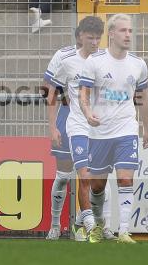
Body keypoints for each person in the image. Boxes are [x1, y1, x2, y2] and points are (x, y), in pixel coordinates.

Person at [78, 14, 148, 244]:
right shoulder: (95, 62)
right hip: (100, 132)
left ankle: (124, 231)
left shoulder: (138, 65)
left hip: (126, 129)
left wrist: (147, 127)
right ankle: (99, 224)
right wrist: (88, 113)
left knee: (125, 179)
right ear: (111, 34)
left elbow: (142, 97)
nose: (128, 35)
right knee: (98, 185)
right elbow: (83, 93)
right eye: (123, 31)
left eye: (130, 31)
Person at [43, 16, 110, 241]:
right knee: (63, 176)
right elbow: (48, 88)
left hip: (96, 123)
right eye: (90, 36)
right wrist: (54, 125)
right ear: (80, 35)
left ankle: (99, 224)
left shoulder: (104, 58)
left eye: (97, 37)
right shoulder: (64, 56)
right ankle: (54, 225)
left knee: (98, 175)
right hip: (69, 118)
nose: (94, 41)